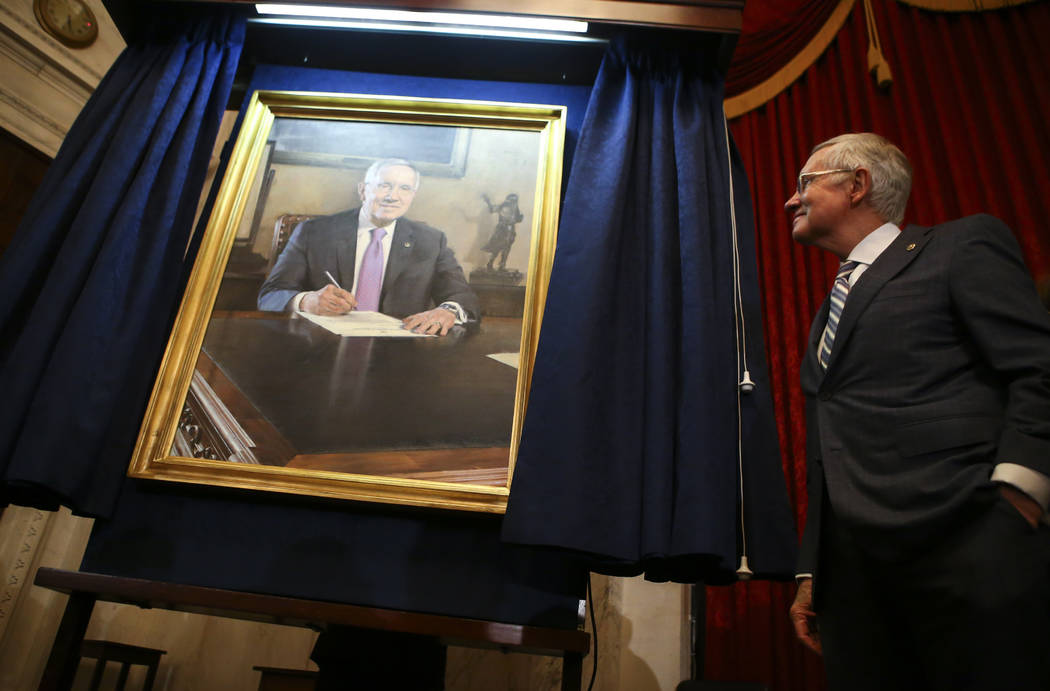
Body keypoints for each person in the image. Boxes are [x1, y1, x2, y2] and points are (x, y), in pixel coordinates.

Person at [784, 133, 1050, 690]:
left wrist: (1017, 505)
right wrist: (815, 571)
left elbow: (1037, 368)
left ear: (857, 184)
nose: (791, 200)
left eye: (806, 183)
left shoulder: (960, 246)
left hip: (965, 548)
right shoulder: (830, 308)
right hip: (856, 583)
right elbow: (826, 450)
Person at [258, 158, 479, 336]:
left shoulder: (432, 241)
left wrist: (447, 311)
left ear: (412, 196)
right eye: (385, 186)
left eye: (404, 188)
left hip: (400, 353)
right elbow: (270, 295)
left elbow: (463, 296)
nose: (393, 197)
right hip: (321, 343)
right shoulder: (314, 232)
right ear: (363, 190)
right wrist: (307, 301)